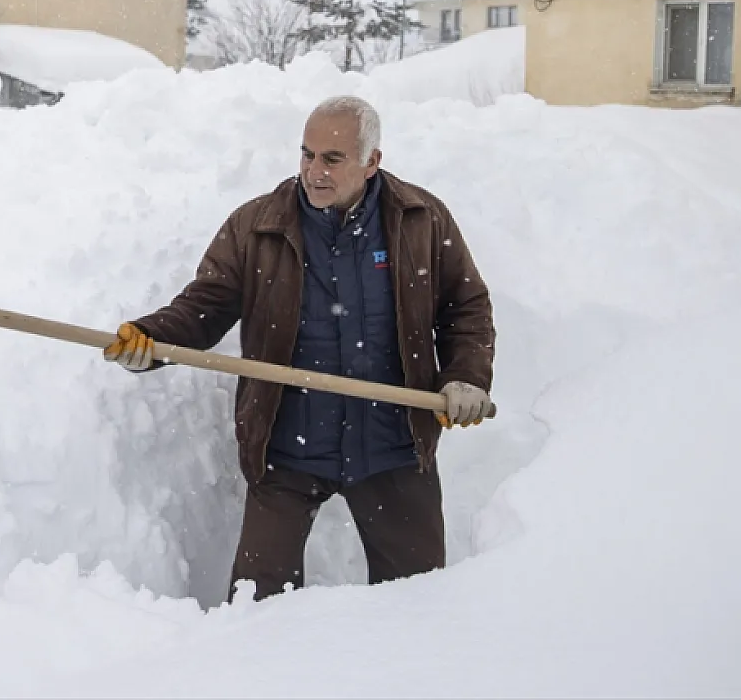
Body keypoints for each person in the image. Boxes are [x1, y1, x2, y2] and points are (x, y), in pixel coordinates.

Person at [104, 95, 495, 599]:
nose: (315, 171)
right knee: (255, 607)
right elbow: (204, 307)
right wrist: (152, 341)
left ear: (372, 161)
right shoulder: (258, 226)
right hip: (287, 447)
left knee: (418, 604)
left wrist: (466, 375)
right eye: (307, 155)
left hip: (393, 446)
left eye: (332, 158)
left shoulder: (420, 220)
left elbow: (466, 307)